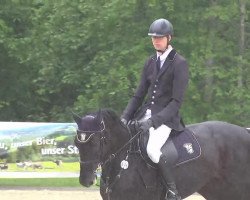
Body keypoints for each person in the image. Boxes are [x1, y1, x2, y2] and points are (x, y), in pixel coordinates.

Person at [121, 18, 189, 200]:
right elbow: (138, 95)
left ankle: (172, 190)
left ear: (169, 38)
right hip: (145, 115)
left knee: (151, 149)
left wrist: (154, 121)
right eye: (153, 37)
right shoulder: (150, 62)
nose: (156, 41)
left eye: (159, 38)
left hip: (167, 119)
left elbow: (176, 102)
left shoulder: (179, 63)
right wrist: (124, 117)